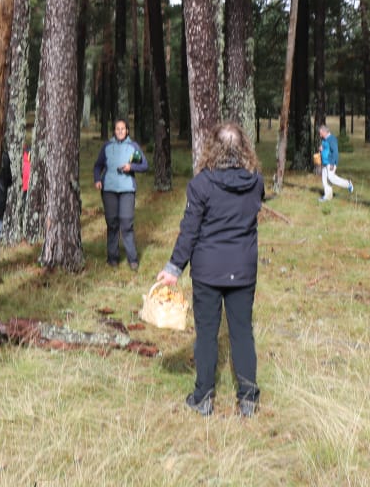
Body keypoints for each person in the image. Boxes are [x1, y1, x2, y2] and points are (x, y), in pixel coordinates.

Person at [156, 122, 264, 418]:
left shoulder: (202, 184)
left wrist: (174, 268)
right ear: (243, 148)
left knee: (206, 334)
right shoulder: (255, 182)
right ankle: (248, 399)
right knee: (242, 333)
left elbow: (189, 230)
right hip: (242, 269)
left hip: (208, 270)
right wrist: (174, 268)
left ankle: (203, 396)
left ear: (213, 148)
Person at [93, 119, 149, 270]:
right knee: (112, 224)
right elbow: (97, 166)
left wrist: (131, 166)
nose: (120, 131)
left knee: (126, 223)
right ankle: (112, 258)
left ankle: (133, 260)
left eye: (122, 129)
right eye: (117, 129)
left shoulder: (133, 146)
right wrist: (97, 179)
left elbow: (145, 165)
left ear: (127, 131)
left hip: (127, 190)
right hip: (109, 189)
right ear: (114, 131)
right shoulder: (107, 146)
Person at [318, 123, 353, 202]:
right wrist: (321, 149)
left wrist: (332, 164)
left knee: (331, 178)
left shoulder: (332, 139)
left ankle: (348, 184)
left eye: (320, 133)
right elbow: (325, 149)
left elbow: (335, 152)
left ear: (324, 132)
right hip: (325, 162)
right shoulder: (324, 139)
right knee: (325, 180)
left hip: (330, 163)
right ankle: (328, 196)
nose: (320, 135)